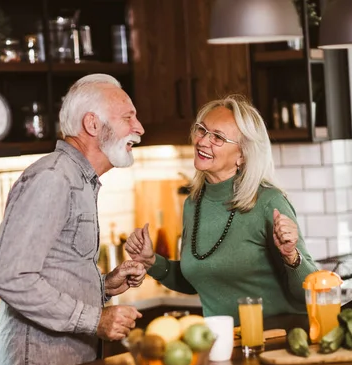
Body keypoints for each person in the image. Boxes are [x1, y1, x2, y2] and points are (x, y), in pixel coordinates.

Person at [0, 74, 146, 365]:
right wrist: (95, 319)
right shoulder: (52, 178)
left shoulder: (80, 181)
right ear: (92, 124)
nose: (139, 128)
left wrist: (103, 286)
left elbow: (55, 272)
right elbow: (11, 279)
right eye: (129, 117)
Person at [125, 94, 319, 323]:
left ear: (242, 155)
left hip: (279, 339)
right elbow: (200, 279)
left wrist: (290, 255)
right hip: (228, 341)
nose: (203, 141)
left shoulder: (268, 202)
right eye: (202, 130)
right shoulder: (193, 204)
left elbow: (312, 291)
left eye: (218, 137)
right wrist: (151, 262)